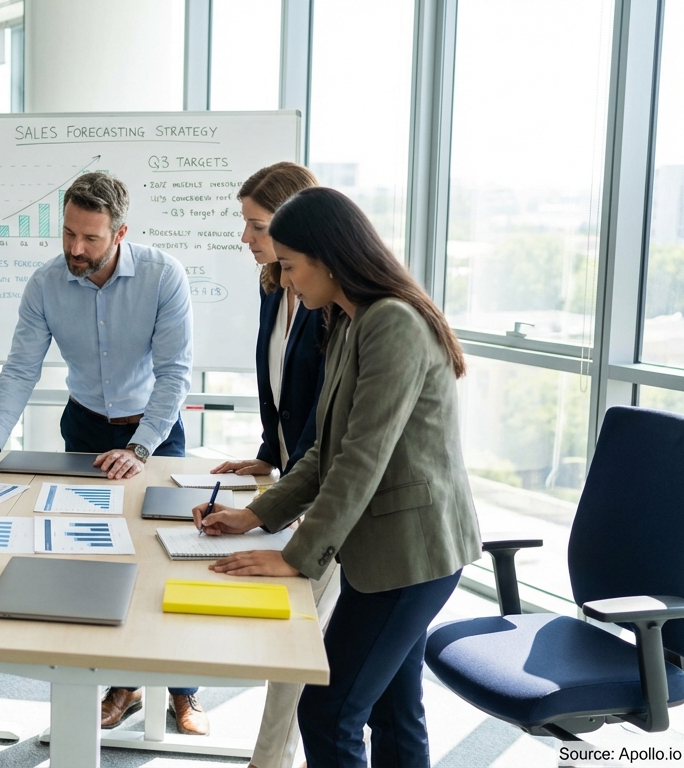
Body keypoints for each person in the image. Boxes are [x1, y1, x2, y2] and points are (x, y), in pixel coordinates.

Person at [195, 187, 482, 768]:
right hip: (387, 554)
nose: (288, 280)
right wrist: (259, 514)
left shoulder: (392, 323)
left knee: (328, 712)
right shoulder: (351, 321)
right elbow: (326, 449)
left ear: (327, 259)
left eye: (292, 265)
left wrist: (296, 556)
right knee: (393, 715)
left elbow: (362, 457)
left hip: (411, 556)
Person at [0, 171, 209, 735]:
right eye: (68, 233)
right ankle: (123, 685)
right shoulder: (46, 283)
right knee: (96, 559)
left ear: (120, 232)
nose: (75, 248)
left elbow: (174, 374)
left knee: (163, 558)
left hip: (153, 433)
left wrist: (141, 446)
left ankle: (185, 691)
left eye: (90, 239)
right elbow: (21, 368)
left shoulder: (162, 275)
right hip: (86, 430)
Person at [210, 162, 337, 768]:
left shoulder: (332, 306)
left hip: (328, 493)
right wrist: (266, 458)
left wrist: (272, 509)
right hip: (294, 477)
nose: (247, 238)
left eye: (257, 226)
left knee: (299, 650)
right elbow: (279, 392)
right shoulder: (272, 287)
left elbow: (329, 420)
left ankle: (269, 762)